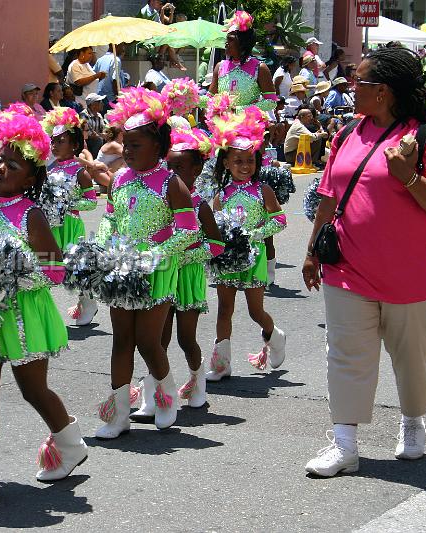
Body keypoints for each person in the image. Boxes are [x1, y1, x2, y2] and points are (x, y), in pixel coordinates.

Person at [303, 47, 426, 477]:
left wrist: (407, 174)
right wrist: (314, 249)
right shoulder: (346, 133)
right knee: (346, 355)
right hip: (347, 268)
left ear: (384, 92)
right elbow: (330, 196)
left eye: (360, 82)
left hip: (412, 276)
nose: (352, 88)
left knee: (411, 358)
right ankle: (345, 444)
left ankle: (412, 423)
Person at [0, 110, 85, 504]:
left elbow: (56, 272)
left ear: (31, 177)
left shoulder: (32, 215)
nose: (1, 168)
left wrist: (12, 275)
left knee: (32, 389)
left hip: (24, 313)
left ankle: (70, 443)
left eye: (13, 164)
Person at [94, 87, 199, 439]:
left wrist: (155, 254)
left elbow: (189, 231)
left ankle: (166, 395)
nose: (128, 151)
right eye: (126, 144)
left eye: (136, 145)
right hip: (122, 267)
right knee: (121, 339)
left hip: (159, 270)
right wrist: (105, 244)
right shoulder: (120, 178)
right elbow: (110, 217)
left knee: (148, 341)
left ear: (158, 147)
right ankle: (119, 414)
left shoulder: (172, 183)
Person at [206, 106, 287, 382]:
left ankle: (274, 336)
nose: (244, 166)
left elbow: (280, 221)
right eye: (238, 160)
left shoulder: (262, 190)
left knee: (255, 311)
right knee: (224, 309)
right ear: (226, 162)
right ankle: (221, 364)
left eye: (250, 160)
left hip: (255, 256)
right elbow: (215, 227)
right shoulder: (221, 195)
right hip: (229, 259)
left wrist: (253, 235)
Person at [158, 127, 224, 410]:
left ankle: (198, 378)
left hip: (188, 277)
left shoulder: (199, 206)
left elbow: (217, 245)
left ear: (197, 169)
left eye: (179, 167)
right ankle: (159, 389)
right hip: (163, 274)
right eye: (168, 166)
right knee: (158, 338)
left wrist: (191, 257)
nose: (172, 172)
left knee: (186, 338)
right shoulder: (161, 201)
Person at [42, 107, 98, 325]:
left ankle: (88, 300)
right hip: (51, 226)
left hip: (71, 225)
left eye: (60, 141)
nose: (54, 145)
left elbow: (92, 201)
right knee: (48, 264)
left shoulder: (80, 171)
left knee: (76, 266)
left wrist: (67, 204)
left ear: (74, 145)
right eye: (53, 141)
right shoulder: (50, 168)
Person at [210, 11, 277, 112]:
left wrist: (239, 110)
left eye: (231, 39)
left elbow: (271, 102)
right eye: (226, 39)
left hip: (249, 125)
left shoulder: (260, 68)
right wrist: (188, 95)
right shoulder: (220, 66)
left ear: (242, 42)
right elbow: (210, 99)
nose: (226, 43)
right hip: (223, 126)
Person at [139, 1, 185, 70]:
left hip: (158, 35)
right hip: (150, 37)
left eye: (160, 4)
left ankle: (164, 59)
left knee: (168, 41)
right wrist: (163, 10)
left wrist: (171, 11)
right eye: (159, 3)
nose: (159, 5)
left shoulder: (155, 12)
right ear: (152, 1)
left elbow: (169, 21)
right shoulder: (146, 11)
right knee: (167, 40)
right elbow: (160, 24)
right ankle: (173, 61)